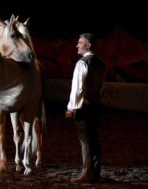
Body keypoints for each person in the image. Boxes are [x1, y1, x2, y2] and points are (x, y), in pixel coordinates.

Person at [65, 33, 106, 183]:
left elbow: (78, 89)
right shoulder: (101, 63)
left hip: (84, 107)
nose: (77, 45)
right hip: (96, 105)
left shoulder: (82, 63)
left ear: (88, 45)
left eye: (80, 42)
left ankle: (88, 174)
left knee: (85, 141)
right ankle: (95, 173)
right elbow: (101, 87)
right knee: (94, 139)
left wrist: (71, 107)